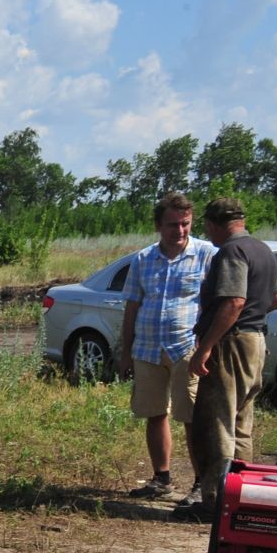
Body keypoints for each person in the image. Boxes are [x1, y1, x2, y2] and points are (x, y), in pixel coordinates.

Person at [184, 196, 277, 513]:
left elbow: (234, 302)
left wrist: (208, 346)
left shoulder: (232, 251)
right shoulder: (263, 250)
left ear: (214, 225)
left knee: (217, 423)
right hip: (256, 342)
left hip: (232, 343)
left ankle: (214, 502)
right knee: (241, 424)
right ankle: (241, 499)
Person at [117, 192, 213, 499]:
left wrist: (207, 345)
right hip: (147, 348)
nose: (180, 231)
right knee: (154, 412)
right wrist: (126, 352)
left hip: (187, 349)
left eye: (185, 224)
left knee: (191, 417)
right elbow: (132, 307)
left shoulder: (206, 254)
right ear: (159, 225)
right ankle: (161, 479)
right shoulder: (143, 259)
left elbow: (217, 303)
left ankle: (200, 485)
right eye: (173, 224)